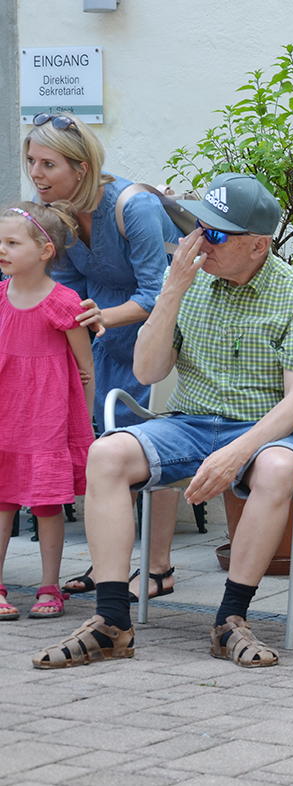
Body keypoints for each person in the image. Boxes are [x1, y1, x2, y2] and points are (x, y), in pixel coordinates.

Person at [32, 173, 293, 669]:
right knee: (106, 453)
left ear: (258, 245)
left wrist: (236, 452)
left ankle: (230, 620)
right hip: (189, 422)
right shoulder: (189, 281)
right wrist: (170, 292)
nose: (199, 241)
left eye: (214, 233)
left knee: (279, 468)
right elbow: (147, 371)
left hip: (259, 428)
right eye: (197, 226)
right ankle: (112, 623)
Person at [23, 112, 184, 601]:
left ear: (83, 167)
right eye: (31, 161)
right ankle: (108, 564)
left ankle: (158, 569)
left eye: (48, 164)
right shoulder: (55, 211)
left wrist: (97, 318)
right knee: (106, 449)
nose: (35, 174)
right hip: (102, 337)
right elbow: (67, 283)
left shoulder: (134, 207)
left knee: (154, 447)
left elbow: (159, 292)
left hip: (157, 336)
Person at [0, 202, 96, 621]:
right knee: (2, 503)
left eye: (11, 242)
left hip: (46, 424)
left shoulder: (64, 302)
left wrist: (82, 428)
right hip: (5, 420)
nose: (1, 250)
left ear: (44, 251)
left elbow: (85, 369)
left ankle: (49, 586)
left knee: (47, 506)